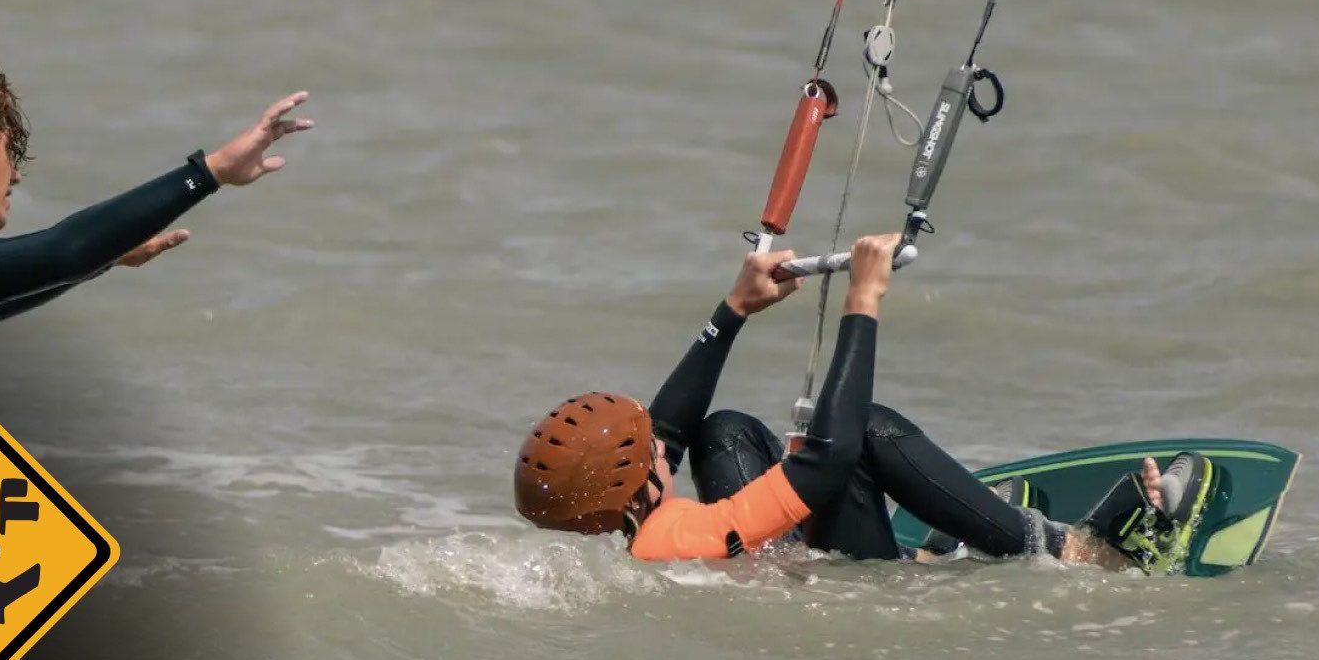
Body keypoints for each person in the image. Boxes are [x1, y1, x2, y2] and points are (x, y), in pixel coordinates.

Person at [513, 234, 1203, 571]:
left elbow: (669, 432)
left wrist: (735, 309)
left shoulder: (622, 530)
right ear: (636, 484)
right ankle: (1084, 555)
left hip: (785, 576)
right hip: (831, 604)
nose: (661, 444)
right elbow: (829, 458)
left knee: (724, 430)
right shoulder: (688, 539)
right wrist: (863, 300)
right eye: (648, 451)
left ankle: (941, 550)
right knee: (865, 432)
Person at [0, 53, 313, 509]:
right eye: (11, 152)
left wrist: (105, 260)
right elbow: (62, 249)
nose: (17, 175)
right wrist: (210, 172)